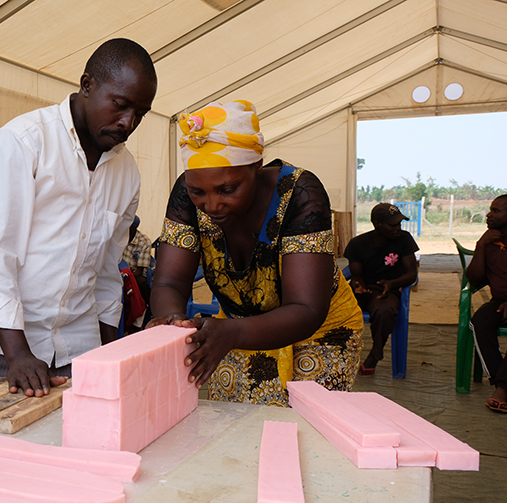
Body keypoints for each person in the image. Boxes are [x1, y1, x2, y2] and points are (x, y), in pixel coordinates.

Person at [0, 38, 157, 397]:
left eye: (140, 114)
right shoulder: (23, 143)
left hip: (79, 347)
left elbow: (107, 273)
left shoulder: (127, 172)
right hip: (1, 348)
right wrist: (18, 355)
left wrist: (109, 357)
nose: (128, 123)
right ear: (87, 84)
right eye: (121, 106)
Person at [148, 100, 364, 406]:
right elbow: (169, 281)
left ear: (256, 167)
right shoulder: (185, 192)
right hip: (234, 327)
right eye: (199, 192)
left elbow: (306, 308)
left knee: (301, 433)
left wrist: (233, 333)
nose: (211, 205)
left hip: (318, 331)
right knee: (234, 432)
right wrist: (172, 319)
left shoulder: (299, 193)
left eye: (227, 189)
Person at [344, 203, 419, 377]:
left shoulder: (404, 240)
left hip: (387, 289)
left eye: (399, 224)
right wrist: (358, 285)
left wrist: (393, 283)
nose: (398, 229)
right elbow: (355, 274)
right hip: (364, 290)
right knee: (332, 307)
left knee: (385, 311)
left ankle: (375, 354)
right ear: (377, 224)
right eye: (393, 225)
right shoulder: (357, 244)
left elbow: (411, 274)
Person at [466, 195, 507, 412]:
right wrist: (480, 245)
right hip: (499, 302)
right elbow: (473, 279)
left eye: (496, 211)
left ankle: (501, 389)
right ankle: (501, 383)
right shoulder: (490, 244)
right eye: (490, 209)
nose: (489, 214)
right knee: (480, 321)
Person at [122, 215, 152, 307]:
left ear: (134, 228)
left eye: (128, 227)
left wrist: (126, 276)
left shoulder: (144, 241)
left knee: (141, 282)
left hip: (134, 275)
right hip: (120, 272)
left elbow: (140, 271)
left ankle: (150, 307)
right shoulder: (119, 238)